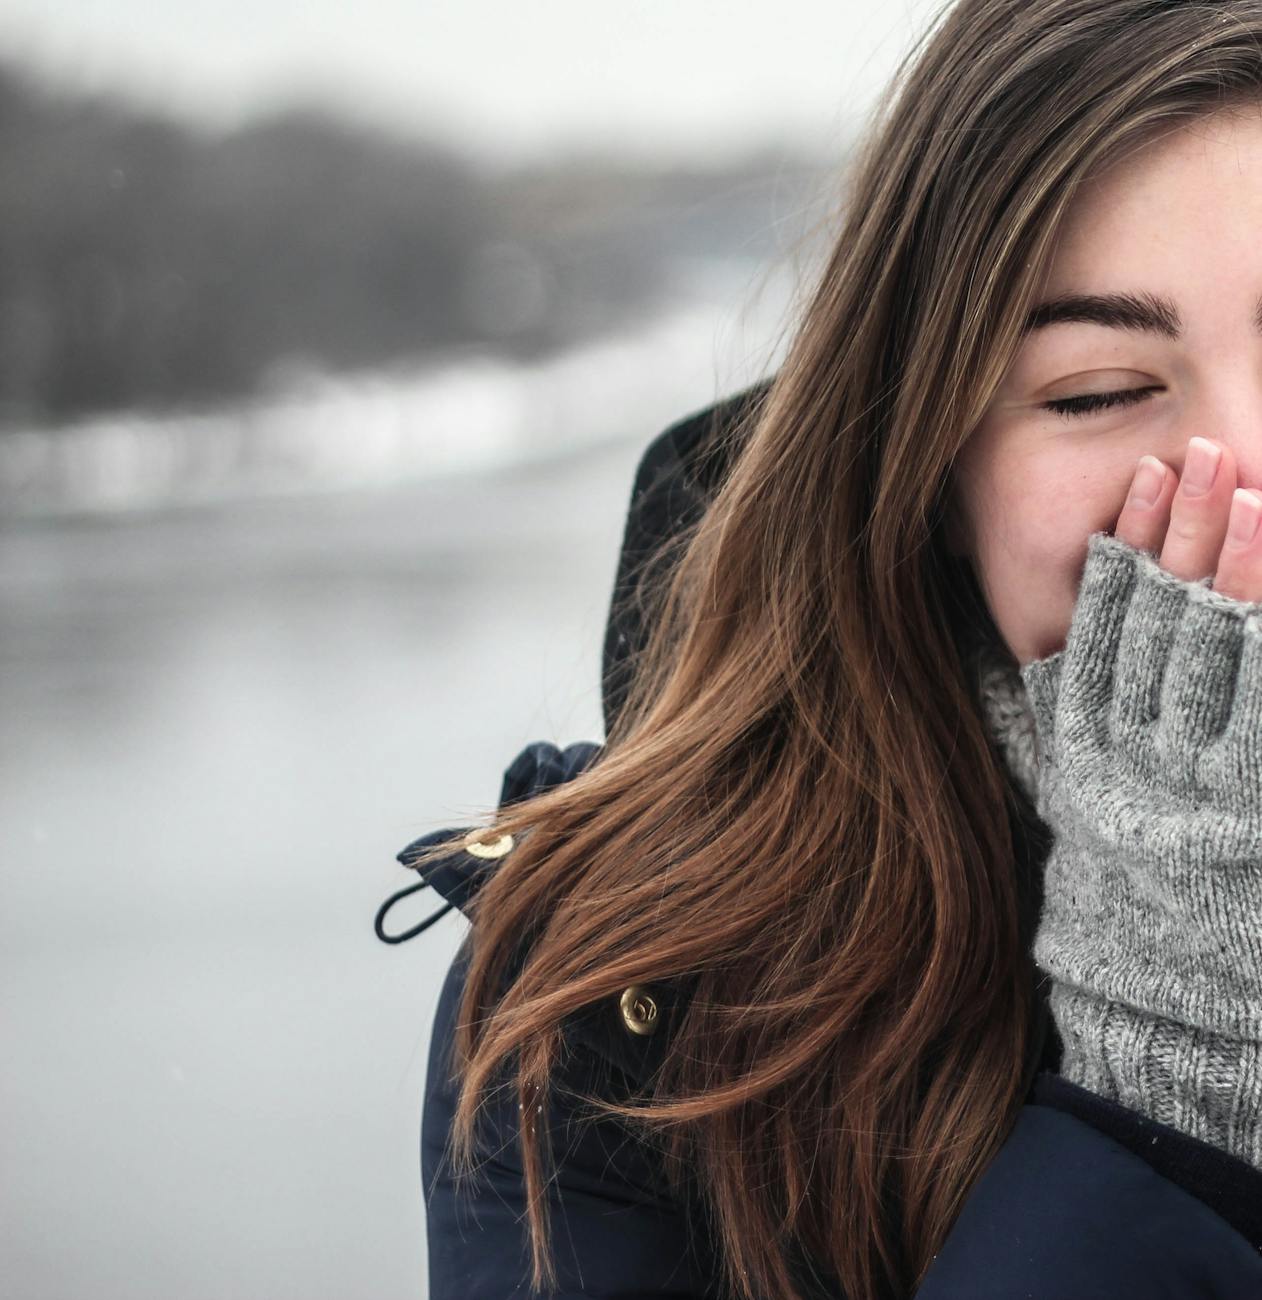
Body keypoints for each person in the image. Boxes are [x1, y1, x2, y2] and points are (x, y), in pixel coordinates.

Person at [376, 1, 1262, 1295]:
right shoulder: (623, 1011)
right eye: (1094, 392)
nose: (1235, 483)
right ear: (930, 474)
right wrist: (1165, 1079)